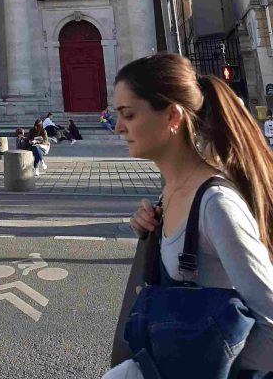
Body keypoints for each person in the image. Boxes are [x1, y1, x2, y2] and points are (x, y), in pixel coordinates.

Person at [115, 52, 273, 378]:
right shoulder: (171, 192)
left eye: (128, 114)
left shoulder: (216, 205)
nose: (118, 127)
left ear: (172, 117)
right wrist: (151, 236)